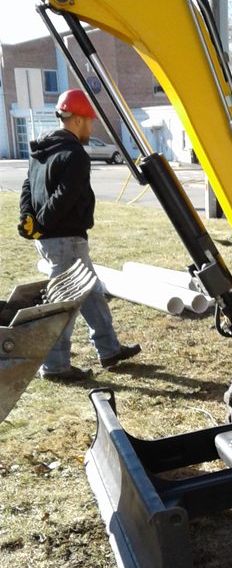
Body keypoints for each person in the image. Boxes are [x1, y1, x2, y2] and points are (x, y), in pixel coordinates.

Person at [18, 88, 141, 382]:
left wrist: (29, 219)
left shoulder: (41, 149)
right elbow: (64, 196)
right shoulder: (74, 154)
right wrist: (42, 222)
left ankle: (109, 349)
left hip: (53, 239)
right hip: (65, 239)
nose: (92, 127)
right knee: (66, 302)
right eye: (89, 121)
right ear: (76, 120)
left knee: (91, 292)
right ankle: (55, 366)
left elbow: (27, 187)